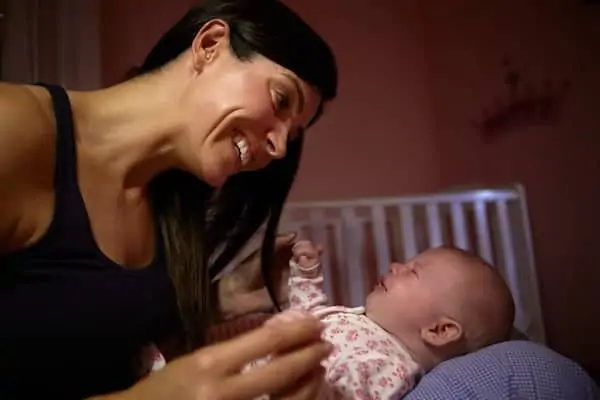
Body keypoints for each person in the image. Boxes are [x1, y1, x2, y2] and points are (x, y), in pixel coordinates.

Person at [0, 0, 337, 398]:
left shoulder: (170, 200)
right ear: (210, 45)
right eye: (282, 100)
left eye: (292, 136)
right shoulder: (14, 128)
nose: (279, 148)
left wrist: (222, 298)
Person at [244, 240, 516, 399]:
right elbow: (309, 314)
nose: (394, 265)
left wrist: (308, 384)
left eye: (412, 272)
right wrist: (306, 275)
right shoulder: (363, 324)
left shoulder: (391, 366)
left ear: (439, 329)